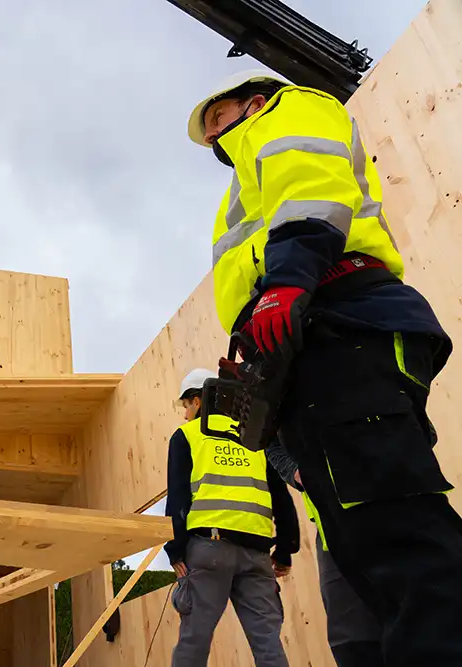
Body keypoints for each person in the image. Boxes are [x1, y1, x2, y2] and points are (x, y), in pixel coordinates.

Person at [186, 67, 462, 666]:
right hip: (309, 336)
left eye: (216, 118)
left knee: (392, 527)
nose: (212, 137)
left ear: (251, 101)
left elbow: (309, 189)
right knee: (363, 543)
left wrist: (285, 282)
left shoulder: (287, 113)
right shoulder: (246, 176)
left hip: (340, 317)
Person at [164, 368, 299, 667]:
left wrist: (175, 550)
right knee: (268, 643)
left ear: (198, 401)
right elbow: (281, 499)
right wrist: (286, 549)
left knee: (194, 641)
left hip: (209, 549)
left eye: (186, 405)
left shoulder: (187, 435)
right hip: (258, 555)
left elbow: (178, 499)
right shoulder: (253, 437)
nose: (185, 413)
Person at [265, 439, 383, 667]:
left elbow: (423, 429)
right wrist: (298, 473)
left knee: (420, 620)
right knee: (352, 638)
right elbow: (273, 445)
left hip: (398, 515)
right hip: (334, 530)